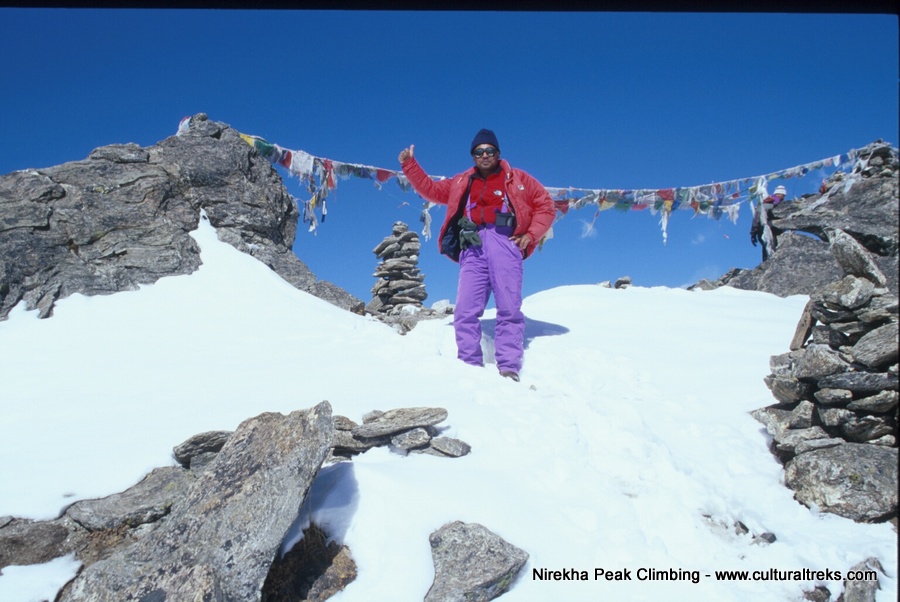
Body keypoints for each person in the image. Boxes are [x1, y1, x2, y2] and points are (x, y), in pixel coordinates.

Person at [398, 129, 556, 382]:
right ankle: (469, 365)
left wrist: (531, 234)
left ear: (498, 153)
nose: (484, 155)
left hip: (505, 242)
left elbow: (545, 205)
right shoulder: (462, 181)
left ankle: (508, 366)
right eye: (479, 151)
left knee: (509, 308)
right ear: (473, 155)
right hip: (473, 245)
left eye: (489, 150)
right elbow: (431, 190)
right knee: (465, 309)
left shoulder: (518, 178)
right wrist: (410, 165)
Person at [750, 184, 786, 261]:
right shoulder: (770, 204)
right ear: (779, 194)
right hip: (769, 231)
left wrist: (753, 232)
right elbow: (758, 216)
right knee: (770, 251)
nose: (783, 197)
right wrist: (753, 232)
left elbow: (757, 216)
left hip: (765, 231)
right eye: (783, 195)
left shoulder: (769, 203)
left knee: (767, 250)